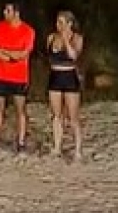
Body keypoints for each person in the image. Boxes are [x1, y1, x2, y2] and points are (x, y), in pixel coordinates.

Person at [0, 0, 35, 150]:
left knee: (20, 109)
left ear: (16, 13)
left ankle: (21, 141)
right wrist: (9, 57)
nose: (4, 13)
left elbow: (23, 54)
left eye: (8, 11)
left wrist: (4, 51)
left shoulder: (28, 31)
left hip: (19, 76)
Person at [47, 10, 83, 160]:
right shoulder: (51, 38)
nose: (58, 25)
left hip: (69, 77)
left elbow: (73, 56)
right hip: (55, 76)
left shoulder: (77, 38)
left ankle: (78, 149)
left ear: (70, 24)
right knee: (56, 115)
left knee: (73, 116)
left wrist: (66, 40)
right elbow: (50, 57)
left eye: (62, 22)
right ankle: (57, 146)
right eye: (57, 22)